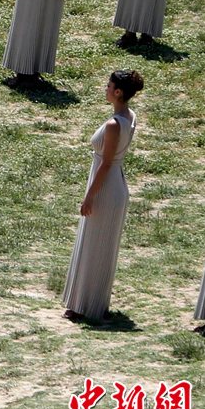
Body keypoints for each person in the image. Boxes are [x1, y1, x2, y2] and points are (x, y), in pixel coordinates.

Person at [62, 70, 144, 321]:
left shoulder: (113, 125)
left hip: (106, 189)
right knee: (102, 247)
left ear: (118, 92)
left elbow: (106, 163)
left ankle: (84, 306)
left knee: (94, 247)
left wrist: (89, 196)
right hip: (116, 186)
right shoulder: (130, 116)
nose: (105, 89)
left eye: (109, 86)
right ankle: (93, 303)